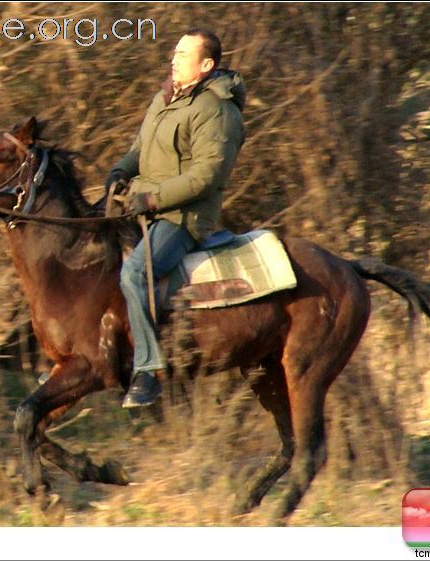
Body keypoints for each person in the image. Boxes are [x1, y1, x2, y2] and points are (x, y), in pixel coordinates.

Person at [106, 29, 246, 408]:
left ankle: (149, 371)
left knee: (136, 274)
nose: (174, 58)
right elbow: (140, 149)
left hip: (182, 218)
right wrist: (120, 170)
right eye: (175, 51)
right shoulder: (165, 98)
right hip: (145, 207)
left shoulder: (218, 111)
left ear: (206, 65)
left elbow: (207, 176)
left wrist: (152, 198)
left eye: (183, 54)